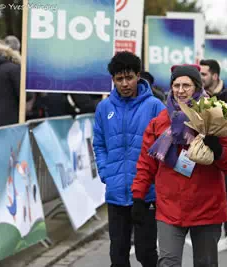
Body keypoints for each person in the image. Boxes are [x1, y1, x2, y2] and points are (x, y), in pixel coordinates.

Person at [132, 64, 227, 267]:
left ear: (197, 87)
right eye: (176, 85)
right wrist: (138, 196)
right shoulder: (160, 122)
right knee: (168, 263)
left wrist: (218, 150)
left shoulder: (215, 117)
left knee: (206, 264)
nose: (180, 90)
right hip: (170, 207)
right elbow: (146, 164)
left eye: (186, 85)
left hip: (207, 207)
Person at [93, 51, 165, 267]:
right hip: (116, 192)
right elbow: (99, 144)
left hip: (146, 194)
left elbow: (164, 148)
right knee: (118, 255)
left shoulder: (154, 106)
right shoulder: (104, 108)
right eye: (119, 79)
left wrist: (154, 179)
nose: (124, 83)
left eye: (129, 77)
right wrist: (106, 172)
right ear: (113, 80)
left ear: (138, 75)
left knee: (146, 254)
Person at [199, 59, 227, 248]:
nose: (200, 77)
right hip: (200, 153)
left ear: (215, 76)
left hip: (225, 151)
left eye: (204, 74)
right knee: (203, 192)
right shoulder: (197, 95)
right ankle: (202, 230)